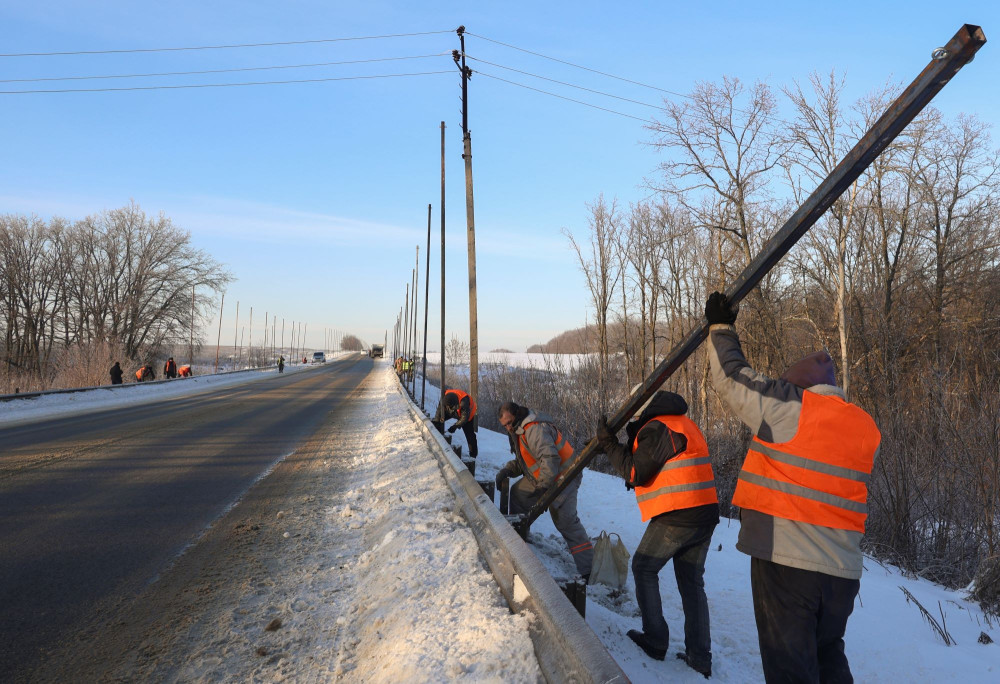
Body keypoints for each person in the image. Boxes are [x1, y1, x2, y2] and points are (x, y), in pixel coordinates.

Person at [704, 291, 881, 683]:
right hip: (842, 574)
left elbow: (733, 379)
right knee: (827, 656)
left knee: (791, 670)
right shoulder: (862, 428)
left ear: (797, 387)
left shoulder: (794, 409)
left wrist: (720, 327)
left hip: (788, 565)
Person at [596, 390, 718, 676]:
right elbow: (651, 462)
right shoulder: (678, 423)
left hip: (680, 513)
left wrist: (609, 444)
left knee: (643, 567)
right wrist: (613, 447)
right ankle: (700, 657)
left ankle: (654, 640)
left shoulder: (657, 428)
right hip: (705, 512)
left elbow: (636, 472)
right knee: (691, 582)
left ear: (643, 411)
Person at [495, 401, 594, 581]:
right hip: (547, 476)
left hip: (565, 476)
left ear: (516, 414)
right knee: (519, 493)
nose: (508, 427)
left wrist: (543, 487)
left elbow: (549, 458)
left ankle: (589, 571)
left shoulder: (533, 429)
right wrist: (508, 469)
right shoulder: (520, 429)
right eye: (505, 425)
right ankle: (520, 539)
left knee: (566, 521)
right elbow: (527, 461)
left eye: (509, 422)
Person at [432, 388, 478, 459]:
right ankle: (438, 439)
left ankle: (473, 454)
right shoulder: (444, 396)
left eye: (450, 407)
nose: (448, 408)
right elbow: (439, 411)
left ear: (455, 404)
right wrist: (436, 421)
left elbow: (464, 419)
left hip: (468, 415)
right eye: (447, 406)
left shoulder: (464, 402)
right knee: (438, 421)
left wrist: (454, 427)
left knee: (470, 435)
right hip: (455, 411)